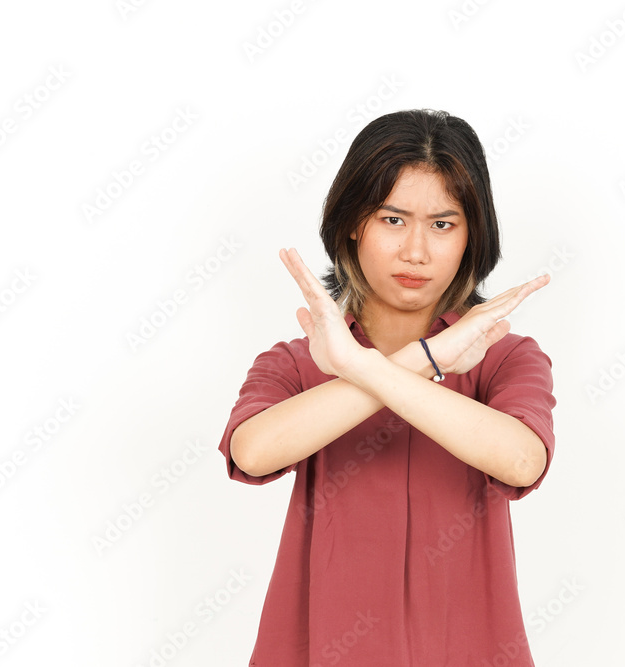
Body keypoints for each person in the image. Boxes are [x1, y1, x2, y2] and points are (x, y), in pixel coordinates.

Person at [217, 108, 557, 666]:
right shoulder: (297, 362)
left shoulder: (506, 359)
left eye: (443, 224)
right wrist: (426, 361)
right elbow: (251, 453)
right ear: (354, 222)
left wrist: (373, 367)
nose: (416, 251)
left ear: (472, 235)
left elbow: (522, 461)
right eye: (393, 220)